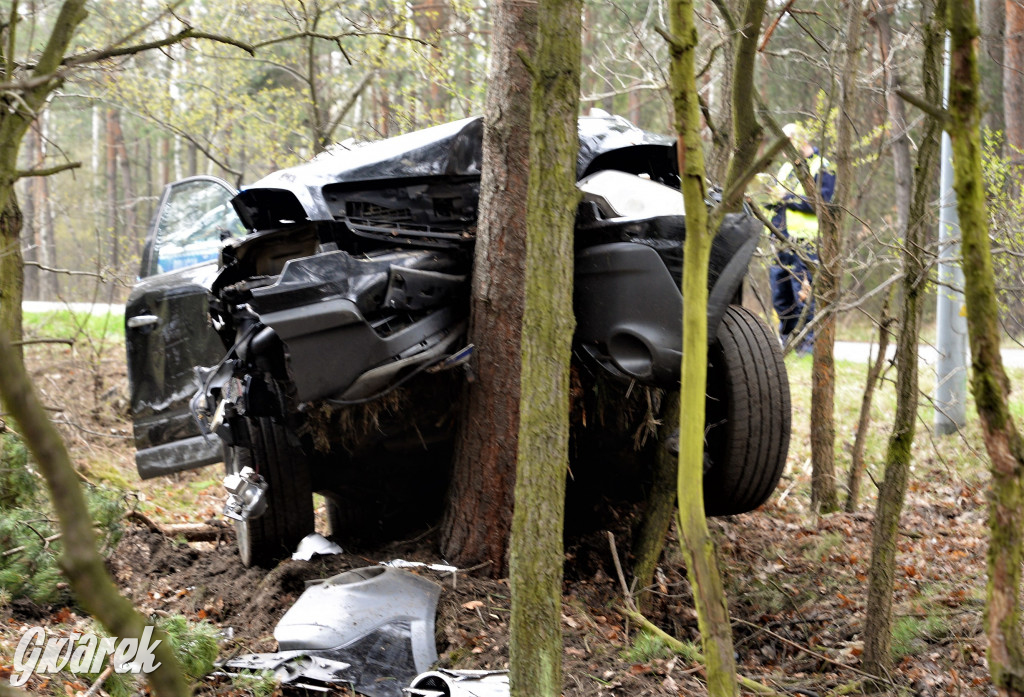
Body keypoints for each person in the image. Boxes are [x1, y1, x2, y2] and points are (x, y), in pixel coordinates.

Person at [764, 122, 835, 355]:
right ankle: (788, 342)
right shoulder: (786, 168)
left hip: (806, 243)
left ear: (800, 141)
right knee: (780, 297)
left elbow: (820, 203)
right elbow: (778, 199)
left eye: (786, 143)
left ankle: (807, 347)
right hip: (781, 241)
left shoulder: (822, 166)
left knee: (804, 296)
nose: (782, 149)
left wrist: (788, 197)